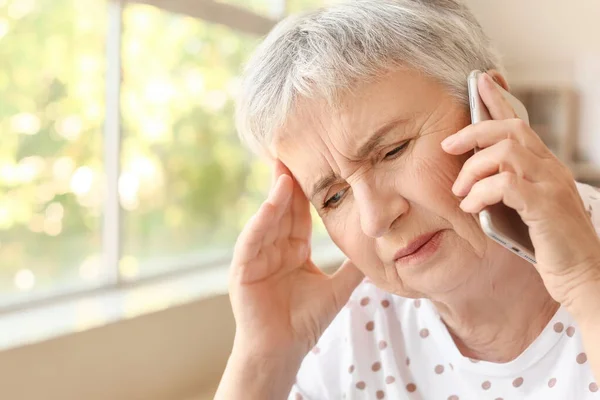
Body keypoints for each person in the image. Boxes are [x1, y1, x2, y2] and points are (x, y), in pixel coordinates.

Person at [215, 0, 600, 398]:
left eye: (392, 151)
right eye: (333, 197)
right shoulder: (349, 334)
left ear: (491, 113)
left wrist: (587, 281)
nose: (375, 219)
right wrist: (263, 360)